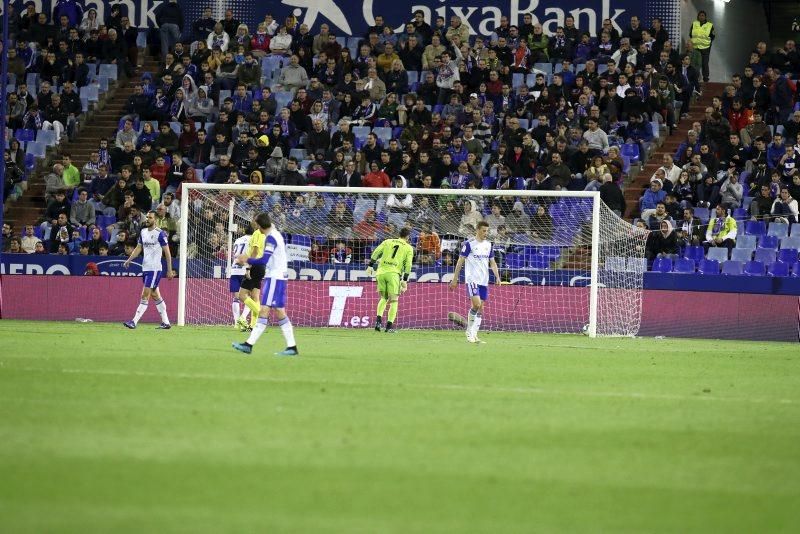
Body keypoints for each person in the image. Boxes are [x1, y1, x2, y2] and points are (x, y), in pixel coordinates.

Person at [232, 212, 298, 356]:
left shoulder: (271, 238)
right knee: (277, 312)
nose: (255, 227)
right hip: (277, 277)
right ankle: (291, 347)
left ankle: (249, 345)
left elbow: (263, 260)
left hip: (275, 278)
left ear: (260, 226)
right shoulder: (274, 234)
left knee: (265, 311)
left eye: (256, 224)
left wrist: (246, 259)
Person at [448, 221, 502, 344]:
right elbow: (460, 261)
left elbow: (492, 262)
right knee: (476, 305)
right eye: (483, 231)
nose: (486, 233)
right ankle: (469, 333)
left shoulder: (489, 245)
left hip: (484, 280)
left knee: (481, 308)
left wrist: (497, 277)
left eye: (487, 231)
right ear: (477, 230)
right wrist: (455, 279)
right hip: (472, 280)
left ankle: (474, 335)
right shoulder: (469, 244)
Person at [122, 211, 175, 329]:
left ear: (155, 220)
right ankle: (166, 322)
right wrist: (129, 260)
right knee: (156, 296)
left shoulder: (160, 234)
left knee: (145, 295)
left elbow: (167, 253)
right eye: (147, 217)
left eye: (150, 217)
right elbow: (139, 247)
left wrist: (169, 270)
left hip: (155, 269)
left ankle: (134, 322)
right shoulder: (143, 232)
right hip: (145, 268)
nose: (147, 219)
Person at [366, 227, 415, 333]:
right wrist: (404, 280)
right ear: (408, 237)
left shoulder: (387, 241)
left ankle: (378, 322)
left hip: (381, 272)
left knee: (383, 298)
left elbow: (376, 251)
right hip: (393, 274)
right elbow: (408, 265)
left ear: (399, 234)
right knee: (394, 301)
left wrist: (370, 265)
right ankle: (389, 327)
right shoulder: (408, 247)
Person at [230, 224, 254, 329]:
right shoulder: (253, 240)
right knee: (248, 297)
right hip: (245, 269)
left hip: (234, 269)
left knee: (236, 297)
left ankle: (236, 323)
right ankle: (243, 318)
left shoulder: (237, 240)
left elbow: (234, 254)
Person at [689, 11, 714, 83]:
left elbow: (713, 36)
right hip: (696, 47)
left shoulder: (710, 25)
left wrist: (707, 43)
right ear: (698, 16)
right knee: (694, 63)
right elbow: (691, 34)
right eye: (700, 15)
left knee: (705, 63)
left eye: (703, 15)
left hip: (705, 48)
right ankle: (694, 77)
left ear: (705, 17)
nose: (701, 17)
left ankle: (705, 78)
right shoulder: (694, 23)